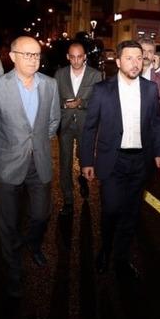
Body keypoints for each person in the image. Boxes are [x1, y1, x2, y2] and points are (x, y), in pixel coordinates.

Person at [0, 36, 61, 297]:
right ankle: (13, 270)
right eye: (27, 54)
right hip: (6, 166)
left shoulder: (50, 85)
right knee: (8, 224)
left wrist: (37, 141)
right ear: (12, 56)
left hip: (40, 163)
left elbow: (54, 120)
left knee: (41, 215)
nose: (34, 60)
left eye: (37, 55)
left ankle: (33, 245)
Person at [80, 40, 160, 279]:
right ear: (117, 61)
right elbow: (89, 128)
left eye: (139, 58)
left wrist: (158, 153)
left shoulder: (149, 90)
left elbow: (156, 124)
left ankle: (121, 256)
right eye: (129, 58)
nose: (135, 63)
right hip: (113, 161)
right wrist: (86, 161)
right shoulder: (102, 90)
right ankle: (105, 250)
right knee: (111, 210)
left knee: (131, 212)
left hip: (140, 161)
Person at [55, 42, 103, 215]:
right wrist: (64, 105)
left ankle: (83, 179)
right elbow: (55, 99)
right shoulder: (59, 74)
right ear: (68, 57)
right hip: (66, 125)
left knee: (85, 158)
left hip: (86, 125)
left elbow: (98, 103)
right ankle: (68, 199)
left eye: (79, 57)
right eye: (72, 57)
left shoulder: (96, 75)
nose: (76, 60)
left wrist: (81, 103)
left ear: (85, 57)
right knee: (65, 162)